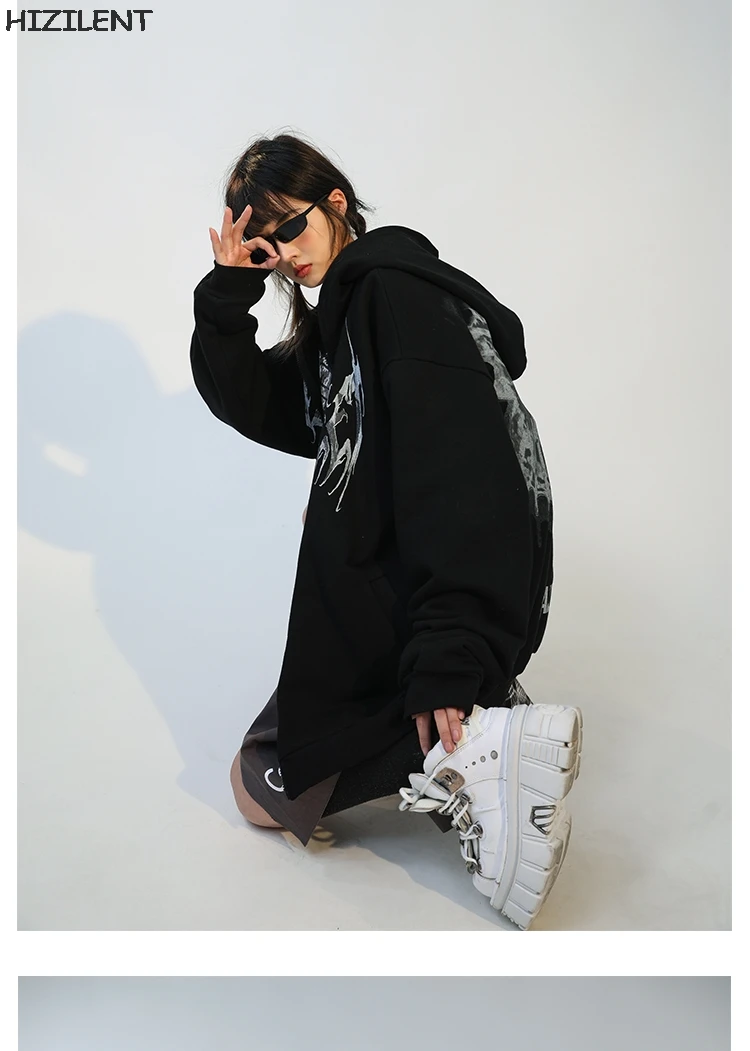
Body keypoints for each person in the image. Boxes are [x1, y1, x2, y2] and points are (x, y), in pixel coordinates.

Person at [190, 131, 583, 929]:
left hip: (417, 606)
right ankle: (478, 735)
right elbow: (255, 402)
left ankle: (471, 744)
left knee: (263, 785)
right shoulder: (343, 326)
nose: (285, 255)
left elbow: (463, 477)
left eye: (291, 228)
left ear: (337, 203)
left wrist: (451, 650)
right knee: (261, 777)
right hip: (385, 604)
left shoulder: (394, 298)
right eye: (268, 246)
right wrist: (231, 291)